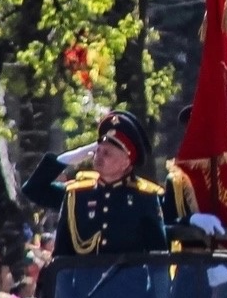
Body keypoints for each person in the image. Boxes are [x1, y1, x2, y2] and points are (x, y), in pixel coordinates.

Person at [22, 110, 170, 257]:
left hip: (128, 280)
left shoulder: (144, 197)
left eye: (107, 153)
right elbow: (33, 189)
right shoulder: (78, 195)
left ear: (126, 163)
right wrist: (66, 159)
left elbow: (158, 256)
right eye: (98, 150)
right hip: (85, 280)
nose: (99, 156)